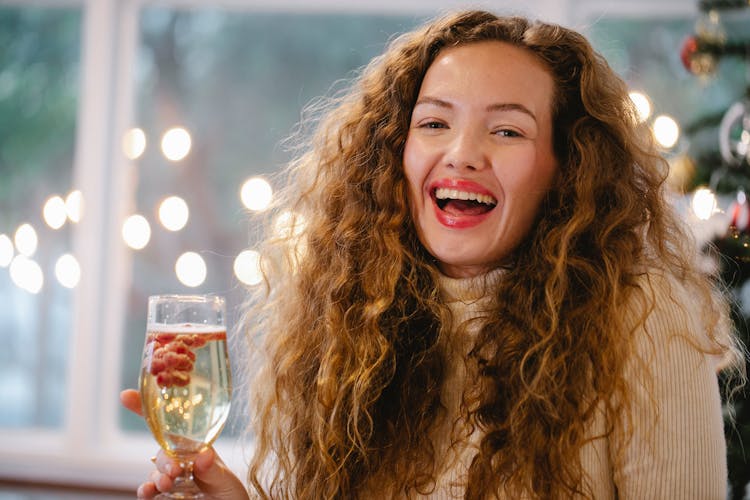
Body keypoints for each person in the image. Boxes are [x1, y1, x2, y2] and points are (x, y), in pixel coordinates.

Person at [121, 9, 745, 499]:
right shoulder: (352, 323)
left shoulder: (646, 318)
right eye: (434, 123)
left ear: (566, 169)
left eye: (507, 130)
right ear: (397, 150)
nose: (463, 153)